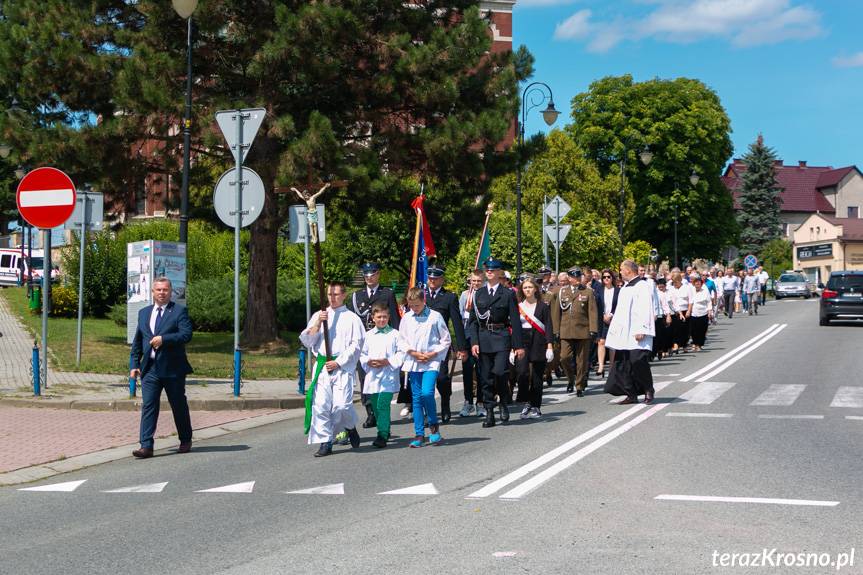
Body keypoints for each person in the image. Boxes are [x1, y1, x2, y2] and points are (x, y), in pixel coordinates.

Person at [129, 277, 193, 459]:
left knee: (178, 405)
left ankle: (185, 439)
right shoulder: (144, 313)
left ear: (170, 291)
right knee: (149, 405)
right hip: (150, 369)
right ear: (153, 292)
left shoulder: (179, 311)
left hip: (173, 369)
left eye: (165, 290)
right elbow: (138, 341)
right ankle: (146, 446)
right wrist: (134, 364)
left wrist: (165, 339)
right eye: (158, 290)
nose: (162, 293)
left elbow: (186, 335)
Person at [300, 281, 365, 457]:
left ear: (343, 295)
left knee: (341, 406)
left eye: (336, 294)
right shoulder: (320, 315)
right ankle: (325, 442)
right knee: (321, 405)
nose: (332, 298)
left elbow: (356, 345)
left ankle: (350, 427)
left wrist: (339, 362)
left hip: (341, 367)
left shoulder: (352, 318)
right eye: (329, 295)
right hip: (322, 367)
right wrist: (318, 324)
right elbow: (307, 341)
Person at [468, 258, 525, 428]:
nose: (490, 272)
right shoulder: (479, 293)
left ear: (500, 272)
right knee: (485, 377)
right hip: (484, 337)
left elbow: (515, 321)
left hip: (501, 337)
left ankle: (503, 402)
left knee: (500, 372)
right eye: (487, 270)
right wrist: (474, 342)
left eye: (493, 270)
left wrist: (518, 346)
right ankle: (490, 411)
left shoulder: (507, 294)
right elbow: (473, 321)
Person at [348, 262, 400, 430]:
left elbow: (395, 321)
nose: (369, 277)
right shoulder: (357, 296)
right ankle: (370, 412)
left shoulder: (387, 293)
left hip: (383, 340)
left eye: (372, 274)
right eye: (366, 274)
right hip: (365, 342)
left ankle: (382, 414)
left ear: (378, 275)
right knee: (365, 378)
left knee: (383, 380)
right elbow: (352, 322)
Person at [399, 287, 451, 447]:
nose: (414, 309)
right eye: (411, 306)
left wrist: (432, 354)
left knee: (427, 393)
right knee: (416, 398)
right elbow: (401, 340)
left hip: (430, 361)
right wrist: (412, 352)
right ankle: (419, 433)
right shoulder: (407, 318)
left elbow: (445, 339)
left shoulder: (435, 317)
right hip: (414, 360)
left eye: (417, 305)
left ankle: (434, 427)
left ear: (424, 301)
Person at [604, 260, 656, 404]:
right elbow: (622, 311)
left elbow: (646, 308)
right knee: (623, 364)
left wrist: (642, 329)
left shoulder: (642, 286)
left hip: (637, 333)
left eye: (621, 269)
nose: (620, 272)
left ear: (628, 270)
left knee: (638, 360)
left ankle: (648, 388)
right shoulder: (625, 288)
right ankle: (630, 393)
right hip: (623, 334)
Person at [425, 265, 468, 423]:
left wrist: (461, 348)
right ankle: (426, 410)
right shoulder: (421, 296)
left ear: (442, 279)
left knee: (442, 378)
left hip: (440, 346)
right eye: (430, 278)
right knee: (423, 381)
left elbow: (457, 323)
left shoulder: (449, 297)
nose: (432, 281)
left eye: (435, 278)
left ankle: (445, 404)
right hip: (422, 346)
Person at [359, 302, 404, 448]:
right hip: (373, 376)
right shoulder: (368, 336)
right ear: (373, 317)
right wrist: (368, 362)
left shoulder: (395, 335)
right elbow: (362, 353)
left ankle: (382, 434)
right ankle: (385, 428)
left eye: (385, 317)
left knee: (383, 404)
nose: (382, 320)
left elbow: (401, 353)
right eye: (379, 317)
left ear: (389, 317)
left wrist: (388, 361)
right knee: (376, 407)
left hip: (388, 376)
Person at [551, 267, 598, 396]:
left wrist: (593, 329)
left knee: (581, 360)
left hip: (583, 330)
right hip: (565, 330)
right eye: (574, 277)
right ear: (569, 278)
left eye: (578, 277)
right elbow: (556, 313)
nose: (576, 280)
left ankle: (579, 385)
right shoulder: (562, 292)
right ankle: (571, 378)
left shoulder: (587, 292)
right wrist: (555, 330)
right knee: (564, 358)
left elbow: (592, 312)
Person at [514, 278, 554, 419]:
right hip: (522, 341)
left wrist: (550, 346)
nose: (528, 290)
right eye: (525, 288)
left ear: (535, 289)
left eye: (530, 287)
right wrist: (512, 348)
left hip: (538, 341)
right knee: (522, 373)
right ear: (522, 290)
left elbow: (548, 326)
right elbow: (514, 328)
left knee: (537, 376)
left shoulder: (543, 306)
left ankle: (535, 405)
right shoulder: (518, 306)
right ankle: (526, 401)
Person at [458, 270, 485, 418]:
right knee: (467, 371)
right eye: (473, 281)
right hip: (468, 337)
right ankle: (468, 401)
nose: (475, 284)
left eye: (478, 281)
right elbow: (461, 318)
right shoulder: (464, 295)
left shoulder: (486, 294)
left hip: (482, 336)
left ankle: (480, 402)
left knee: (481, 371)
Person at [594, 269, 620, 378]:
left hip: (614, 319)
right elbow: (596, 305)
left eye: (608, 277)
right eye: (604, 277)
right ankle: (601, 366)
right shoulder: (599, 290)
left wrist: (611, 315)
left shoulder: (618, 291)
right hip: (602, 319)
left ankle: (611, 367)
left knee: (612, 344)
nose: (606, 279)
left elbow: (619, 305)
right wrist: (604, 315)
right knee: (601, 342)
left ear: (612, 278)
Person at [667, 271, 693, 353]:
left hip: (685, 309)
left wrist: (689, 310)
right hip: (675, 311)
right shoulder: (671, 289)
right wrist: (679, 312)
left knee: (685, 329)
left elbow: (690, 300)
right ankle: (676, 344)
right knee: (676, 329)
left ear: (680, 280)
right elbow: (671, 302)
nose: (675, 284)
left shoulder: (687, 287)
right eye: (673, 282)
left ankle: (684, 345)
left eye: (676, 282)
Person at [689, 274, 712, 351]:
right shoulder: (691, 291)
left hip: (703, 313)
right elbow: (690, 302)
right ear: (694, 283)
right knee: (693, 330)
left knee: (702, 330)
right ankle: (695, 344)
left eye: (699, 283)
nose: (697, 284)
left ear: (701, 284)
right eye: (696, 283)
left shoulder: (705, 291)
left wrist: (709, 311)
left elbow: (709, 302)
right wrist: (689, 311)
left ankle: (699, 345)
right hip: (694, 313)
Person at [652, 278, 673, 359]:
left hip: (661, 316)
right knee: (655, 336)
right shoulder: (652, 293)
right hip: (652, 317)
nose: (660, 289)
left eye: (662, 287)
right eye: (659, 287)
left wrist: (668, 315)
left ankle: (662, 349)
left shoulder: (661, 294)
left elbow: (665, 305)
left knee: (662, 335)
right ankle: (655, 351)